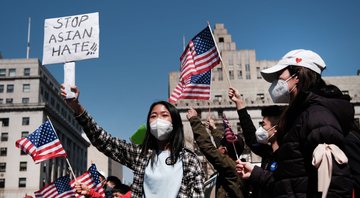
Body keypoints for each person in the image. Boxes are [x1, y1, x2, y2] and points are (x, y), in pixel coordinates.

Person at [236, 49, 354, 197]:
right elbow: (289, 183)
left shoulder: (316, 116)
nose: (275, 82)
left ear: (297, 76)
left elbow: (336, 181)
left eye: (279, 76)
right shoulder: (299, 117)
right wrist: (257, 174)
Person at [61, 86, 205, 197]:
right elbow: (104, 141)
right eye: (153, 116)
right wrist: (77, 108)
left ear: (175, 122)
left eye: (164, 115)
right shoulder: (141, 154)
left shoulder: (189, 160)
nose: (158, 120)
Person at [228, 87, 284, 198]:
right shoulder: (267, 152)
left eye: (263, 125)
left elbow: (280, 186)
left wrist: (255, 173)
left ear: (276, 128)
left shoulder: (288, 155)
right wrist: (239, 103)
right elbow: (251, 138)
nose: (260, 129)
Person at [186, 108, 246, 198]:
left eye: (220, 146)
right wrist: (213, 129)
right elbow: (220, 143)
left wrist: (194, 120)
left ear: (224, 150)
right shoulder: (235, 164)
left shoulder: (229, 166)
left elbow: (208, 148)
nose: (218, 147)